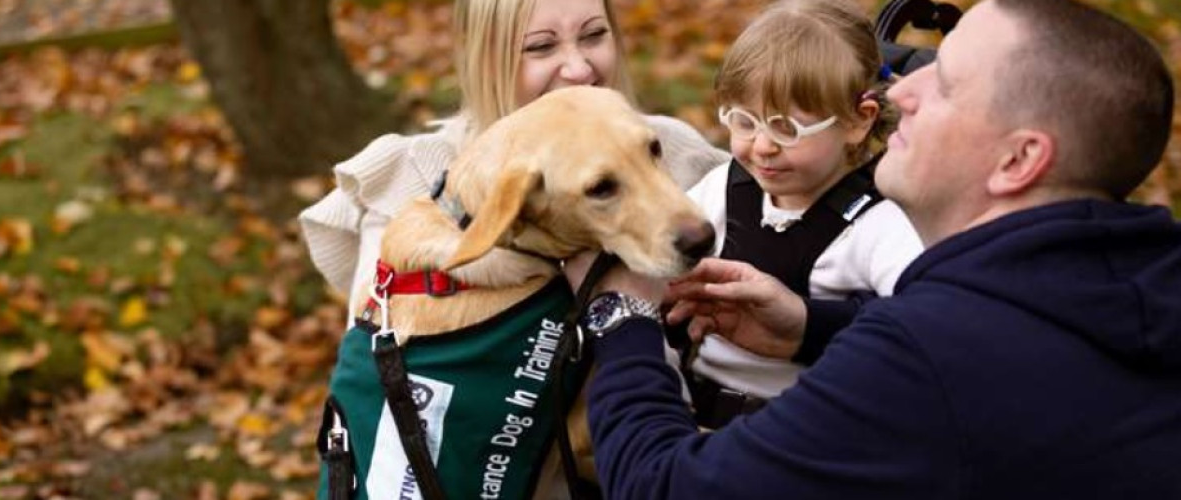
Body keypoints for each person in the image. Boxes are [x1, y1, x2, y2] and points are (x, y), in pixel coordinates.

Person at [567, 0, 1181, 497]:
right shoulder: (1146, 279)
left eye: (942, 82)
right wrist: (810, 329)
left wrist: (621, 317)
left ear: (1019, 159)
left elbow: (665, 487)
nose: (898, 89)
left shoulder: (934, 355)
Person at [299, 0, 729, 319]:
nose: (578, 69)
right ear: (485, 58)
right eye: (541, 47)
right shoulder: (410, 180)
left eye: (594, 35)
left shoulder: (678, 151)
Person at [680, 0, 922, 428]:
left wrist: (810, 323)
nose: (762, 146)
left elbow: (920, 326)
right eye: (744, 121)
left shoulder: (882, 221)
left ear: (857, 121)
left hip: (803, 430)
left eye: (786, 128)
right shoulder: (727, 187)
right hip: (692, 406)